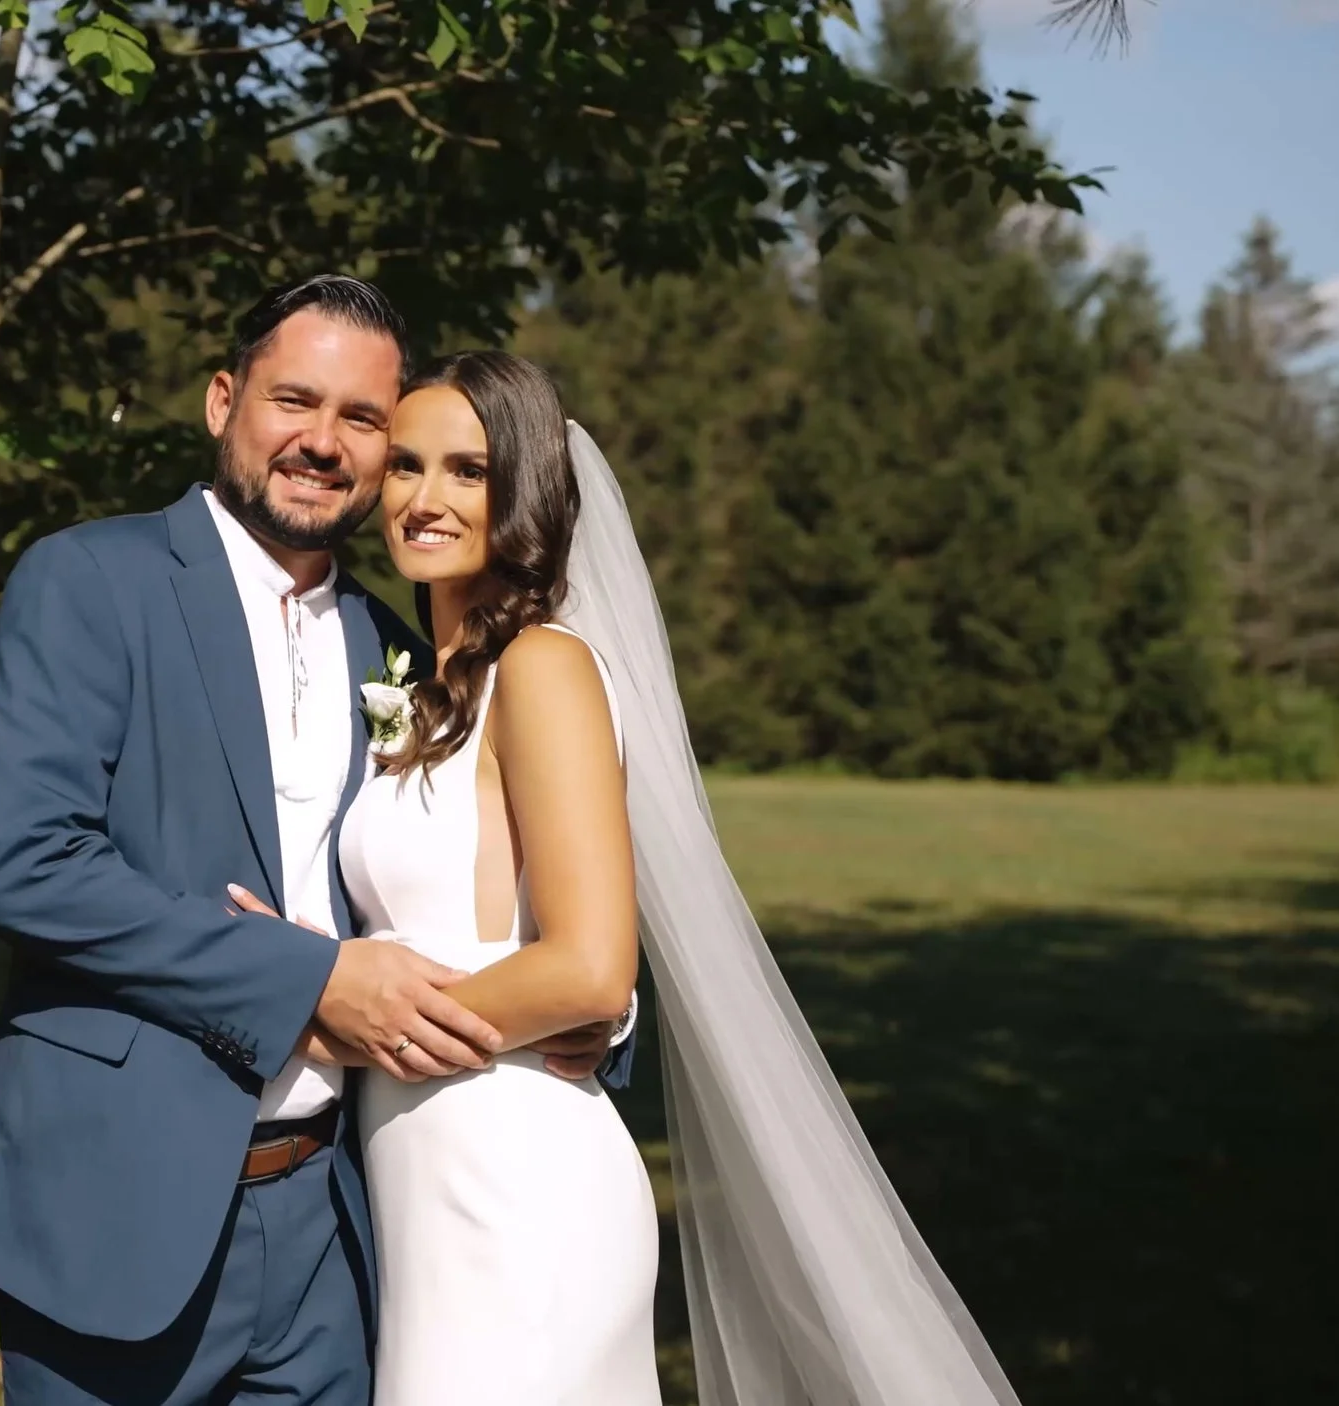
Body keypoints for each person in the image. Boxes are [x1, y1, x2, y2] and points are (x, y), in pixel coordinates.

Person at [239, 350, 1028, 1405]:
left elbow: (589, 970)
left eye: (469, 471)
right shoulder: (428, 688)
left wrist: (341, 1017)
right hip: (426, 1189)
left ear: (524, 490)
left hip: (517, 1186)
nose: (424, 499)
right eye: (409, 465)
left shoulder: (544, 668)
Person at [0, 278, 629, 1405]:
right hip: (120, 1205)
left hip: (342, 1228)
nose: (323, 441)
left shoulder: (398, 650)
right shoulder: (90, 579)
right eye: (294, 401)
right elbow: (31, 866)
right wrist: (308, 979)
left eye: (362, 419)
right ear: (223, 401)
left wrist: (585, 1007)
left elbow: (470, 878)